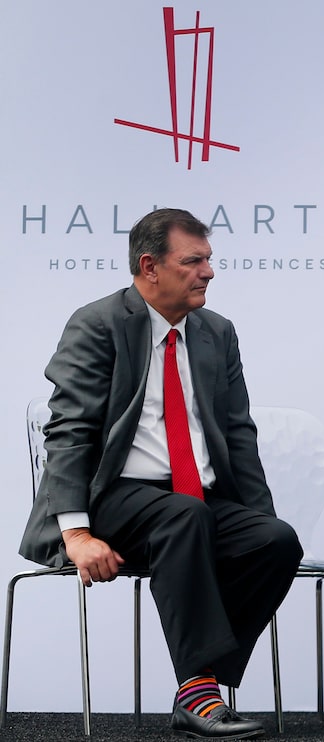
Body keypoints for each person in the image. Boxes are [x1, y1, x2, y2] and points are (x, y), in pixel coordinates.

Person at [19, 208, 302, 740]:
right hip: (116, 499)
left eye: (209, 260)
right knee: (184, 515)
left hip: (194, 501)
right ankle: (200, 694)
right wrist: (76, 533)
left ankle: (200, 684)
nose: (209, 272)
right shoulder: (98, 323)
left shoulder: (217, 332)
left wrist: (254, 516)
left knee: (276, 541)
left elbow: (239, 436)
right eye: (193, 261)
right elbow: (70, 431)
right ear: (149, 266)